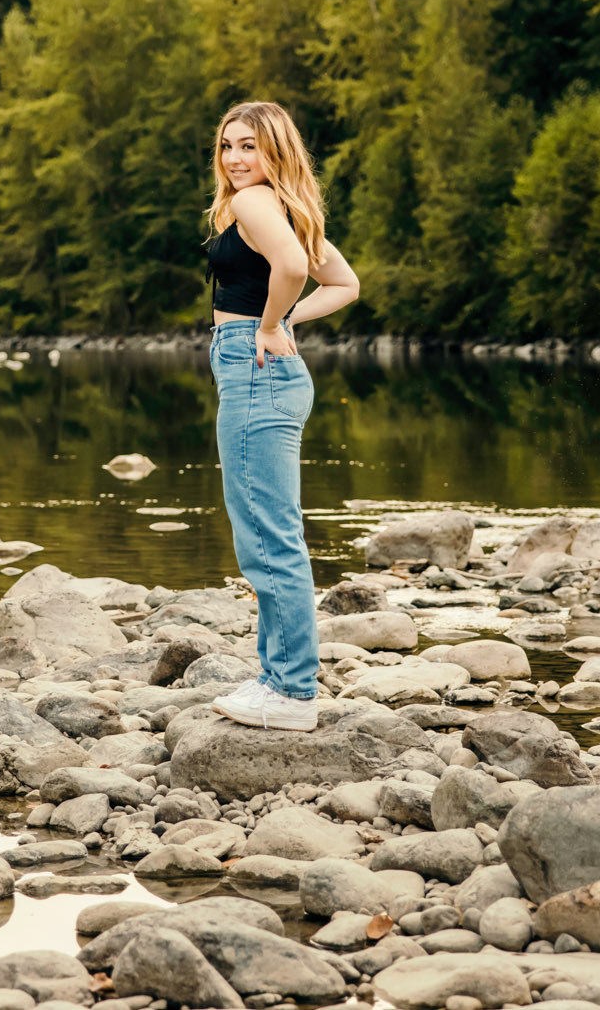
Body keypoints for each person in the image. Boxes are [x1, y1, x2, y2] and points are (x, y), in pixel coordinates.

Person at [203, 101, 359, 731]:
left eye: (251, 147)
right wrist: (285, 321)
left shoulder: (255, 203)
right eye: (227, 146)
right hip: (264, 370)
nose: (237, 159)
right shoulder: (286, 207)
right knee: (271, 531)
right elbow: (344, 284)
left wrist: (270, 324)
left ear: (277, 152)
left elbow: (297, 270)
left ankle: (292, 691)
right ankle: (277, 676)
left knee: (267, 536)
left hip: (253, 368)